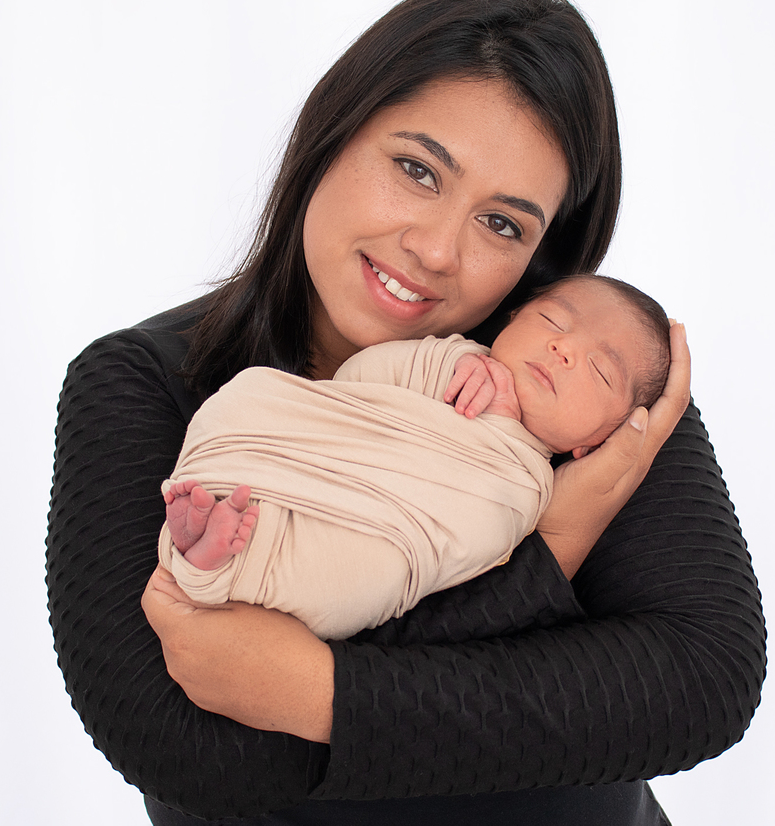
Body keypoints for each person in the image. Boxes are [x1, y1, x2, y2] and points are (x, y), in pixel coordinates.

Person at [45, 0, 766, 825]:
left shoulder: (572, 372)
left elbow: (703, 678)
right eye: (418, 170)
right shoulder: (140, 384)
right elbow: (177, 744)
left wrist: (311, 689)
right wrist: (552, 561)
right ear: (334, 131)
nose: (432, 249)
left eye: (503, 224)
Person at [159, 275, 671, 642]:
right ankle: (215, 514)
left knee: (362, 581)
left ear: (596, 444)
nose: (563, 348)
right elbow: (353, 385)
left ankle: (211, 562)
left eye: (600, 371)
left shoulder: (535, 483)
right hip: (326, 450)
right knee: (249, 392)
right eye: (552, 320)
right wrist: (445, 364)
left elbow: (472, 553)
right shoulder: (447, 359)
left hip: (388, 533)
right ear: (511, 322)